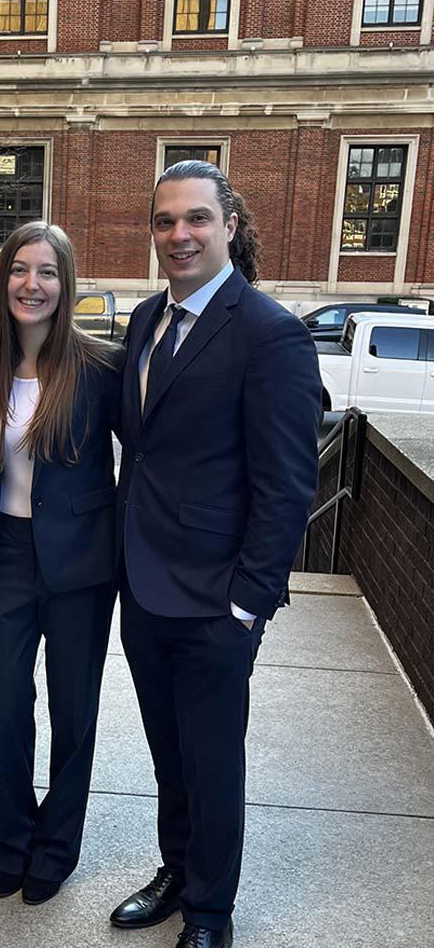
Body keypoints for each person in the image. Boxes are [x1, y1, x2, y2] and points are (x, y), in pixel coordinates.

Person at [109, 161, 321, 948]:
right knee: (169, 753)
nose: (178, 235)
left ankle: (209, 912)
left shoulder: (270, 334)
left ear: (228, 225)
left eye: (195, 218)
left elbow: (286, 485)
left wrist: (245, 603)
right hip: (144, 583)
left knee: (211, 759)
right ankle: (176, 869)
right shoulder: (143, 321)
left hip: (215, 601)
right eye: (164, 221)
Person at [0, 221, 122, 906]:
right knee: (1, 698)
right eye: (20, 270)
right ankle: (14, 837)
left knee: (73, 709)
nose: (32, 284)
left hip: (82, 563)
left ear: (66, 283)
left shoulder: (99, 367)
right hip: (3, 554)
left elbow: (146, 457)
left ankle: (55, 846)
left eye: (47, 272)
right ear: (3, 283)